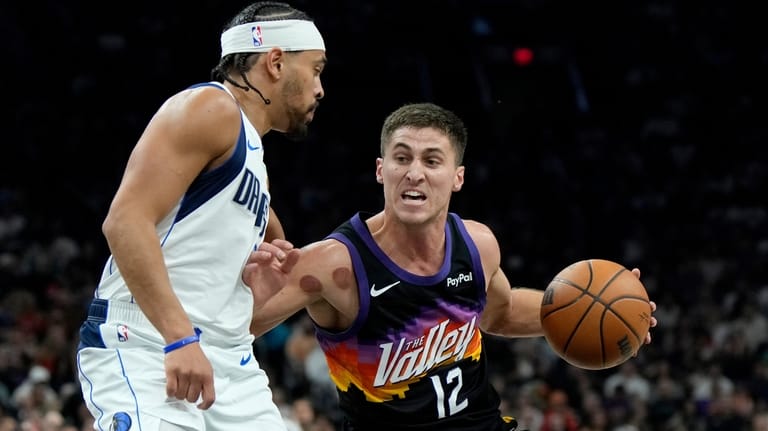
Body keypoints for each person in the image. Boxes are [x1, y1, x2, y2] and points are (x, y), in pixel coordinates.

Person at [246, 102, 658, 431]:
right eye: (402, 158)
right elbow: (232, 330)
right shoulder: (333, 263)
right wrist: (247, 288)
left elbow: (501, 314)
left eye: (431, 161)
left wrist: (606, 311)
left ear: (457, 177)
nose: (414, 173)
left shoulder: (477, 244)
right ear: (381, 170)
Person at [75, 2, 325, 430]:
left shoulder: (254, 161)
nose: (320, 89)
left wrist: (250, 291)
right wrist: (179, 337)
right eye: (316, 70)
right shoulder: (211, 107)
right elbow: (125, 221)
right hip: (151, 343)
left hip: (229, 358)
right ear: (276, 62)